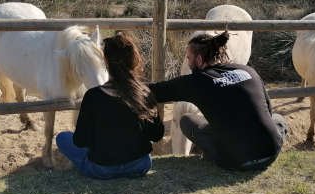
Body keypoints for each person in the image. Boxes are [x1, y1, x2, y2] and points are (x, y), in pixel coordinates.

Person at [149, 31, 288, 172]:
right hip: (270, 152)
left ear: (199, 60)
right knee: (278, 118)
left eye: (189, 58)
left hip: (236, 161)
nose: (188, 62)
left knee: (187, 121)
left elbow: (155, 91)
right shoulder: (248, 71)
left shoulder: (196, 81)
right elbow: (268, 111)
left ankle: (213, 152)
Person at [56, 32, 164, 179]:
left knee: (62, 138)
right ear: (134, 60)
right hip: (140, 165)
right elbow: (157, 135)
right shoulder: (144, 92)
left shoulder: (93, 96)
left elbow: (80, 141)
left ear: (106, 63)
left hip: (102, 169)